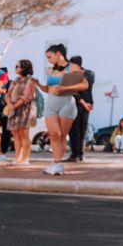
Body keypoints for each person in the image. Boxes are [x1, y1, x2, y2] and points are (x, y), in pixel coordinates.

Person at [35, 44, 88, 175]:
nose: (48, 60)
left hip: (67, 103)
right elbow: (48, 88)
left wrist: (65, 88)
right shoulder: (50, 70)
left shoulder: (73, 67)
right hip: (51, 103)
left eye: (50, 57)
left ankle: (57, 163)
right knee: (54, 134)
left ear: (58, 53)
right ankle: (57, 163)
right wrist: (38, 85)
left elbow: (84, 85)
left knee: (62, 135)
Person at [5, 59, 37, 166]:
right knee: (16, 134)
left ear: (24, 68)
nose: (16, 68)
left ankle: (25, 158)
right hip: (13, 109)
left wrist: (14, 106)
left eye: (18, 66)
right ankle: (17, 157)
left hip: (25, 110)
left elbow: (26, 97)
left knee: (24, 134)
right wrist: (10, 104)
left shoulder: (30, 81)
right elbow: (7, 93)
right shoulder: (15, 80)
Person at [67, 55, 95, 161]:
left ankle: (75, 154)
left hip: (76, 104)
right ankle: (81, 154)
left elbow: (73, 92)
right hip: (88, 105)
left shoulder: (72, 75)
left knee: (74, 130)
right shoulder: (91, 74)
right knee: (82, 130)